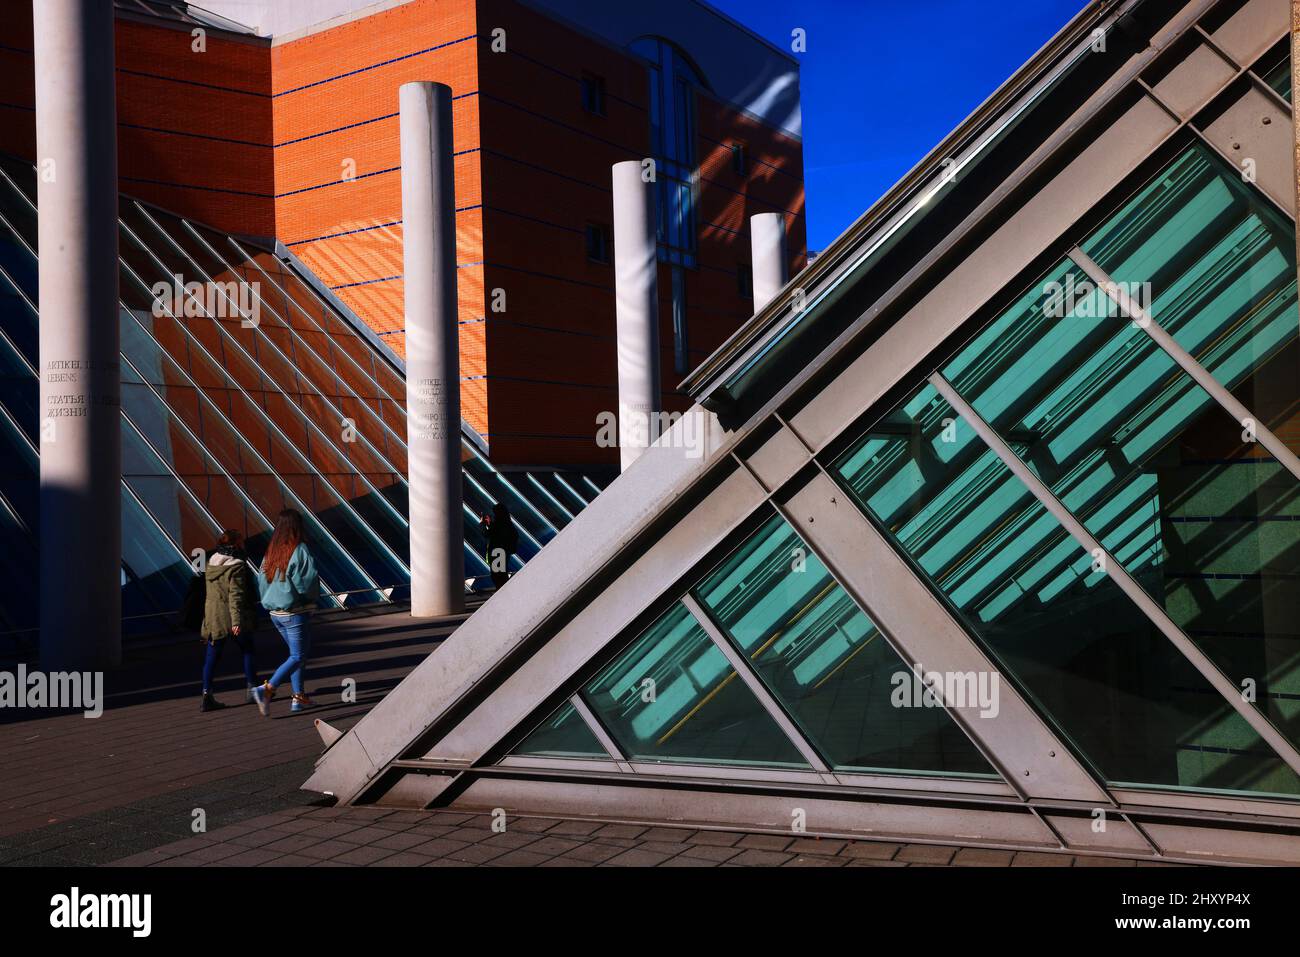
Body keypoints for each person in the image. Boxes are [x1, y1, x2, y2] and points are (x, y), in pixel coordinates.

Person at [250, 509, 320, 716]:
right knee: (298, 655)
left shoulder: (271, 552)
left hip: (275, 614)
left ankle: (299, 698)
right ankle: (266, 689)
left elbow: (261, 581)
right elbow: (306, 583)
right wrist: (311, 600)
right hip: (294, 612)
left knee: (296, 655)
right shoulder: (299, 550)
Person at [198, 530, 259, 713]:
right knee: (248, 650)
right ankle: (252, 691)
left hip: (214, 616)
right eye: (241, 541)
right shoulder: (237, 565)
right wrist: (237, 622)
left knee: (211, 657)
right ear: (235, 544)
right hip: (232, 617)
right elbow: (236, 596)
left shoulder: (212, 562)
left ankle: (207, 696)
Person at [480, 501, 518, 590]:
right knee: (501, 576)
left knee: (498, 577)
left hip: (498, 553)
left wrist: (482, 524)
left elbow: (487, 534)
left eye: (495, 513)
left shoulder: (499, 524)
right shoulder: (507, 523)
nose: (494, 515)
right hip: (502, 552)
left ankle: (504, 597)